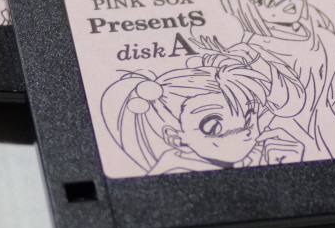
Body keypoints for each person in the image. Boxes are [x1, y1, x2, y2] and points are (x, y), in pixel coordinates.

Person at [217, 0, 335, 159]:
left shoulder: (324, 38)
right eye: (267, 0)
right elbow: (285, 104)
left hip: (334, 138)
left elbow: (332, 89)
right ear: (245, 10)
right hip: (286, 143)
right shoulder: (250, 52)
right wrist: (256, 63)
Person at [99, 51, 307, 176]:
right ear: (175, 138)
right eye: (214, 125)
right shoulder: (176, 174)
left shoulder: (246, 156)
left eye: (250, 113)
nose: (245, 131)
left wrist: (286, 167)